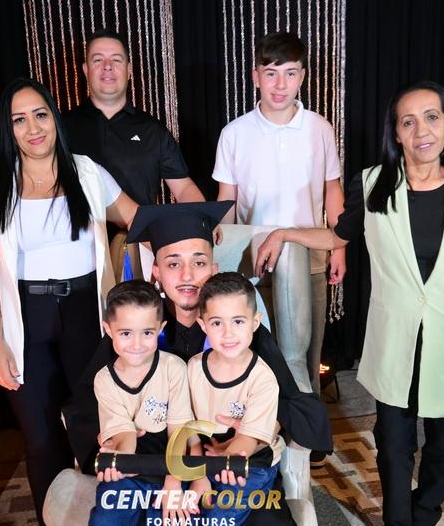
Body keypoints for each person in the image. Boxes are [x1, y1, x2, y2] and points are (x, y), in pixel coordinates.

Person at [255, 80, 444, 526]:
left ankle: (425, 510)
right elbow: (337, 236)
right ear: (396, 133)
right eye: (408, 122)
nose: (421, 131)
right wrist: (285, 233)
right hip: (397, 340)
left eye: (431, 118)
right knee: (393, 445)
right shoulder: (373, 185)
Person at [63, 201, 330, 525]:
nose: (187, 275)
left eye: (199, 262)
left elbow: (289, 401)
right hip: (154, 467)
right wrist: (117, 437)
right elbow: (88, 405)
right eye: (173, 264)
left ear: (213, 269)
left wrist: (254, 430)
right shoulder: (137, 333)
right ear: (156, 273)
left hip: (232, 465)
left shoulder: (241, 335)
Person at [0, 78, 137, 524]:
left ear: (54, 118)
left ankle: (103, 518)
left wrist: (189, 232)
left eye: (40, 115)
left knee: (98, 430)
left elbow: (137, 219)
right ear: (7, 130)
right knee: (42, 442)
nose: (33, 128)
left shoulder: (86, 171)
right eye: (19, 120)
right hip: (25, 318)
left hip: (87, 312)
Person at [213, 31, 346, 398]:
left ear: (302, 76)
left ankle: (307, 428)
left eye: (290, 73)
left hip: (311, 257)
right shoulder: (234, 134)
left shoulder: (319, 128)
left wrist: (340, 247)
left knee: (306, 357)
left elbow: (333, 190)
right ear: (255, 76)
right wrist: (221, 258)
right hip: (253, 261)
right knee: (258, 356)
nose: (280, 84)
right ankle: (264, 429)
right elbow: (227, 199)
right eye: (270, 73)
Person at [63, 28, 205, 277]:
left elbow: (183, 188)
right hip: (79, 251)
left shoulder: (152, 130)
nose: (107, 67)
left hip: (142, 248)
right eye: (98, 60)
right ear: (85, 69)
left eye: (116, 60)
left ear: (129, 69)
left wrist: (202, 222)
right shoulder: (61, 129)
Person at [88, 280, 198, 524]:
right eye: (126, 333)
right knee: (105, 518)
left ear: (160, 328)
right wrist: (121, 462)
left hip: (171, 467)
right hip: (133, 470)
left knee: (170, 518)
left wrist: (173, 483)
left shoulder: (173, 368)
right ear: (108, 329)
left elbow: (179, 432)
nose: (137, 344)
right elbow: (124, 433)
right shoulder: (104, 379)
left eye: (147, 333)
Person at [188, 272, 283, 526]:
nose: (228, 333)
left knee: (219, 517)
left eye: (238, 321)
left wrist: (227, 461)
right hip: (205, 458)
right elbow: (187, 427)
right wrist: (199, 474)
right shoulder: (193, 368)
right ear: (203, 325)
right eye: (217, 323)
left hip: (251, 464)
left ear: (255, 322)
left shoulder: (263, 379)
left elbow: (247, 440)